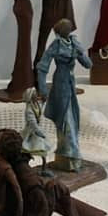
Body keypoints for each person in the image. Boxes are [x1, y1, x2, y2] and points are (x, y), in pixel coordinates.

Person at [36, 19, 92, 172]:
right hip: (60, 84)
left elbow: (88, 64)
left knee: (73, 119)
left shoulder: (74, 43)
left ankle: (68, 158)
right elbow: (42, 67)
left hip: (70, 84)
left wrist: (81, 52)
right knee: (66, 122)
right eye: (65, 27)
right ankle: (69, 157)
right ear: (60, 31)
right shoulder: (56, 44)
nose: (69, 28)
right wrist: (43, 89)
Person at [20, 87, 52, 176]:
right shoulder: (29, 110)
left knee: (42, 151)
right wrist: (39, 132)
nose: (36, 95)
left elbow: (40, 108)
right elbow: (32, 123)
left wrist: (44, 101)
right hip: (31, 132)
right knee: (29, 149)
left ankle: (44, 169)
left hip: (37, 129)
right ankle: (26, 168)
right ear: (30, 96)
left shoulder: (36, 104)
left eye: (35, 93)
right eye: (34, 94)